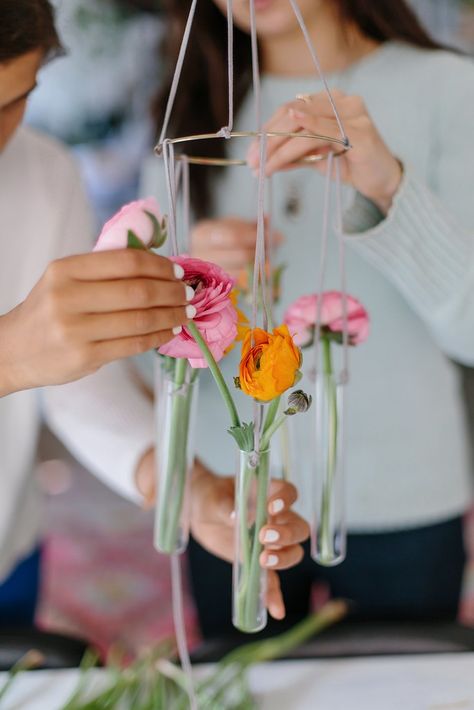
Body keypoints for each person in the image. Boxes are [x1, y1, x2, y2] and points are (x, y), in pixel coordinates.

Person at [142, 0, 474, 638]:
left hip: (404, 483)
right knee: (248, 685)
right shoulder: (191, 105)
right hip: (230, 487)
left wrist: (389, 189)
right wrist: (188, 286)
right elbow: (141, 354)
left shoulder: (448, 89)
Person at [0, 0, 305, 626]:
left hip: (9, 548)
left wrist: (188, 490)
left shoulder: (47, 173)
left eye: (12, 101)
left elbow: (81, 391)